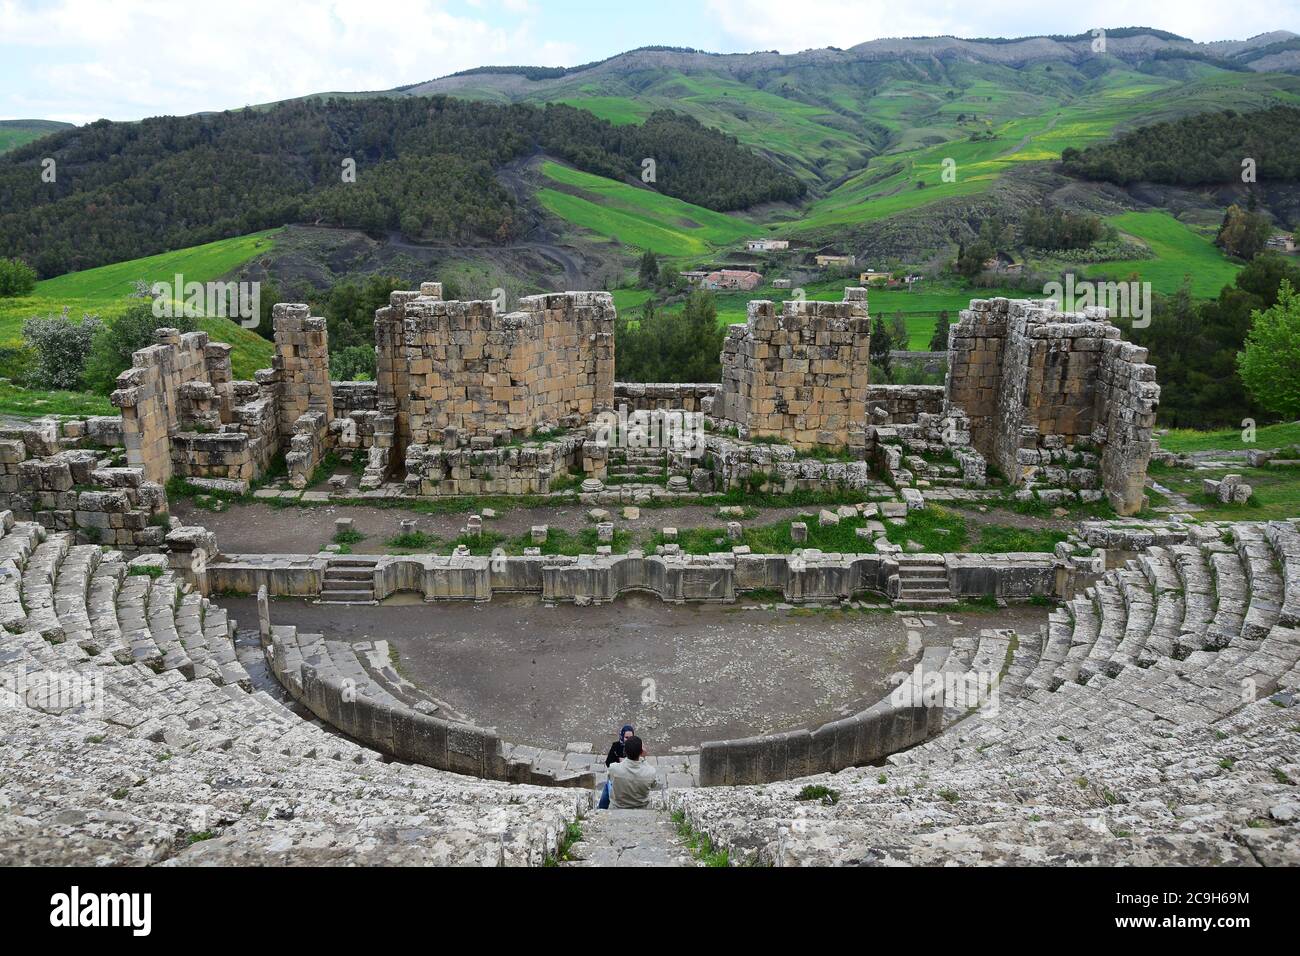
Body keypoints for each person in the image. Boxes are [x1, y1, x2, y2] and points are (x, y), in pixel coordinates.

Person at [606, 735, 659, 810]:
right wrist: (643, 759)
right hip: (642, 807)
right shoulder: (651, 772)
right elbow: (654, 785)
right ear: (641, 752)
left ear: (624, 751)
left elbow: (610, 778)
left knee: (608, 784)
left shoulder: (614, 768)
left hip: (618, 806)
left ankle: (601, 807)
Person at [597, 724, 635, 810]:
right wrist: (618, 763)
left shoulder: (635, 747)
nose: (628, 740)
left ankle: (601, 809)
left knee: (608, 785)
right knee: (609, 783)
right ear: (622, 736)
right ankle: (601, 808)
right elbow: (608, 762)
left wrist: (625, 762)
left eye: (631, 738)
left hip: (630, 777)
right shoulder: (616, 746)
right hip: (618, 775)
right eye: (626, 737)